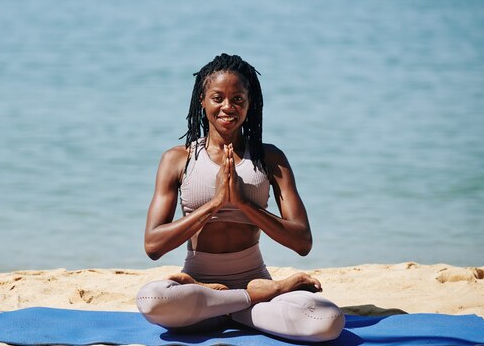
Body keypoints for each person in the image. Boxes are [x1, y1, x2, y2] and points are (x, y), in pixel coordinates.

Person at [136, 54, 345, 342]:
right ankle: (247, 299)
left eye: (238, 99)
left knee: (328, 321)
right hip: (201, 286)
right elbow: (153, 245)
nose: (227, 107)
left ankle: (233, 305)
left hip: (241, 284)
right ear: (202, 100)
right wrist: (215, 204)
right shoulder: (177, 159)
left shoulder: (270, 158)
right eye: (217, 97)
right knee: (151, 298)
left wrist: (245, 204)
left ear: (250, 103)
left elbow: (302, 242)